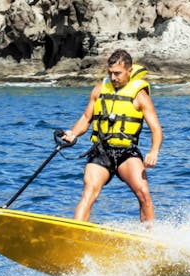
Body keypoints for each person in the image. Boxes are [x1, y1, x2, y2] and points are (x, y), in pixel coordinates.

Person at [62, 49, 162, 227]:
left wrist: (154, 151)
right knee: (89, 190)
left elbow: (156, 129)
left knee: (143, 193)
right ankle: (75, 232)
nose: (113, 77)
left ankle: (150, 236)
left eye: (118, 73)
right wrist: (73, 133)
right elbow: (86, 118)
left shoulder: (140, 95)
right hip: (101, 151)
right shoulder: (99, 90)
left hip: (126, 153)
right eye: (110, 73)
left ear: (129, 71)